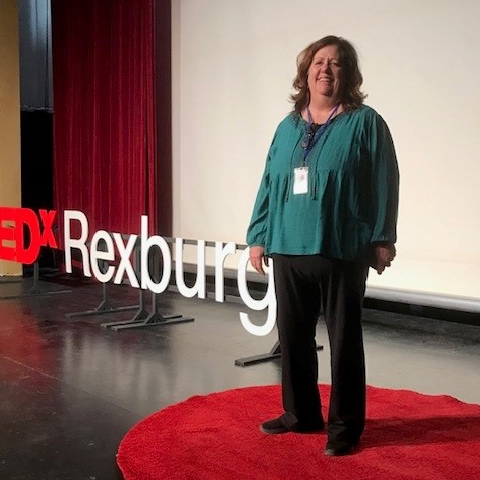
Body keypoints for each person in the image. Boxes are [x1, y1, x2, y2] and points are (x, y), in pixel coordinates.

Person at [246, 35, 399, 456]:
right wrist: (258, 235)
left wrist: (382, 237)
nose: (325, 69)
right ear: (306, 72)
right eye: (318, 61)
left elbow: (385, 180)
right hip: (287, 246)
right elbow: (269, 183)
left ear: (347, 74)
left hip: (341, 246)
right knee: (293, 337)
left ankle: (345, 426)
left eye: (335, 63)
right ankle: (300, 413)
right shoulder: (287, 126)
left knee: (344, 340)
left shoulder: (365, 122)